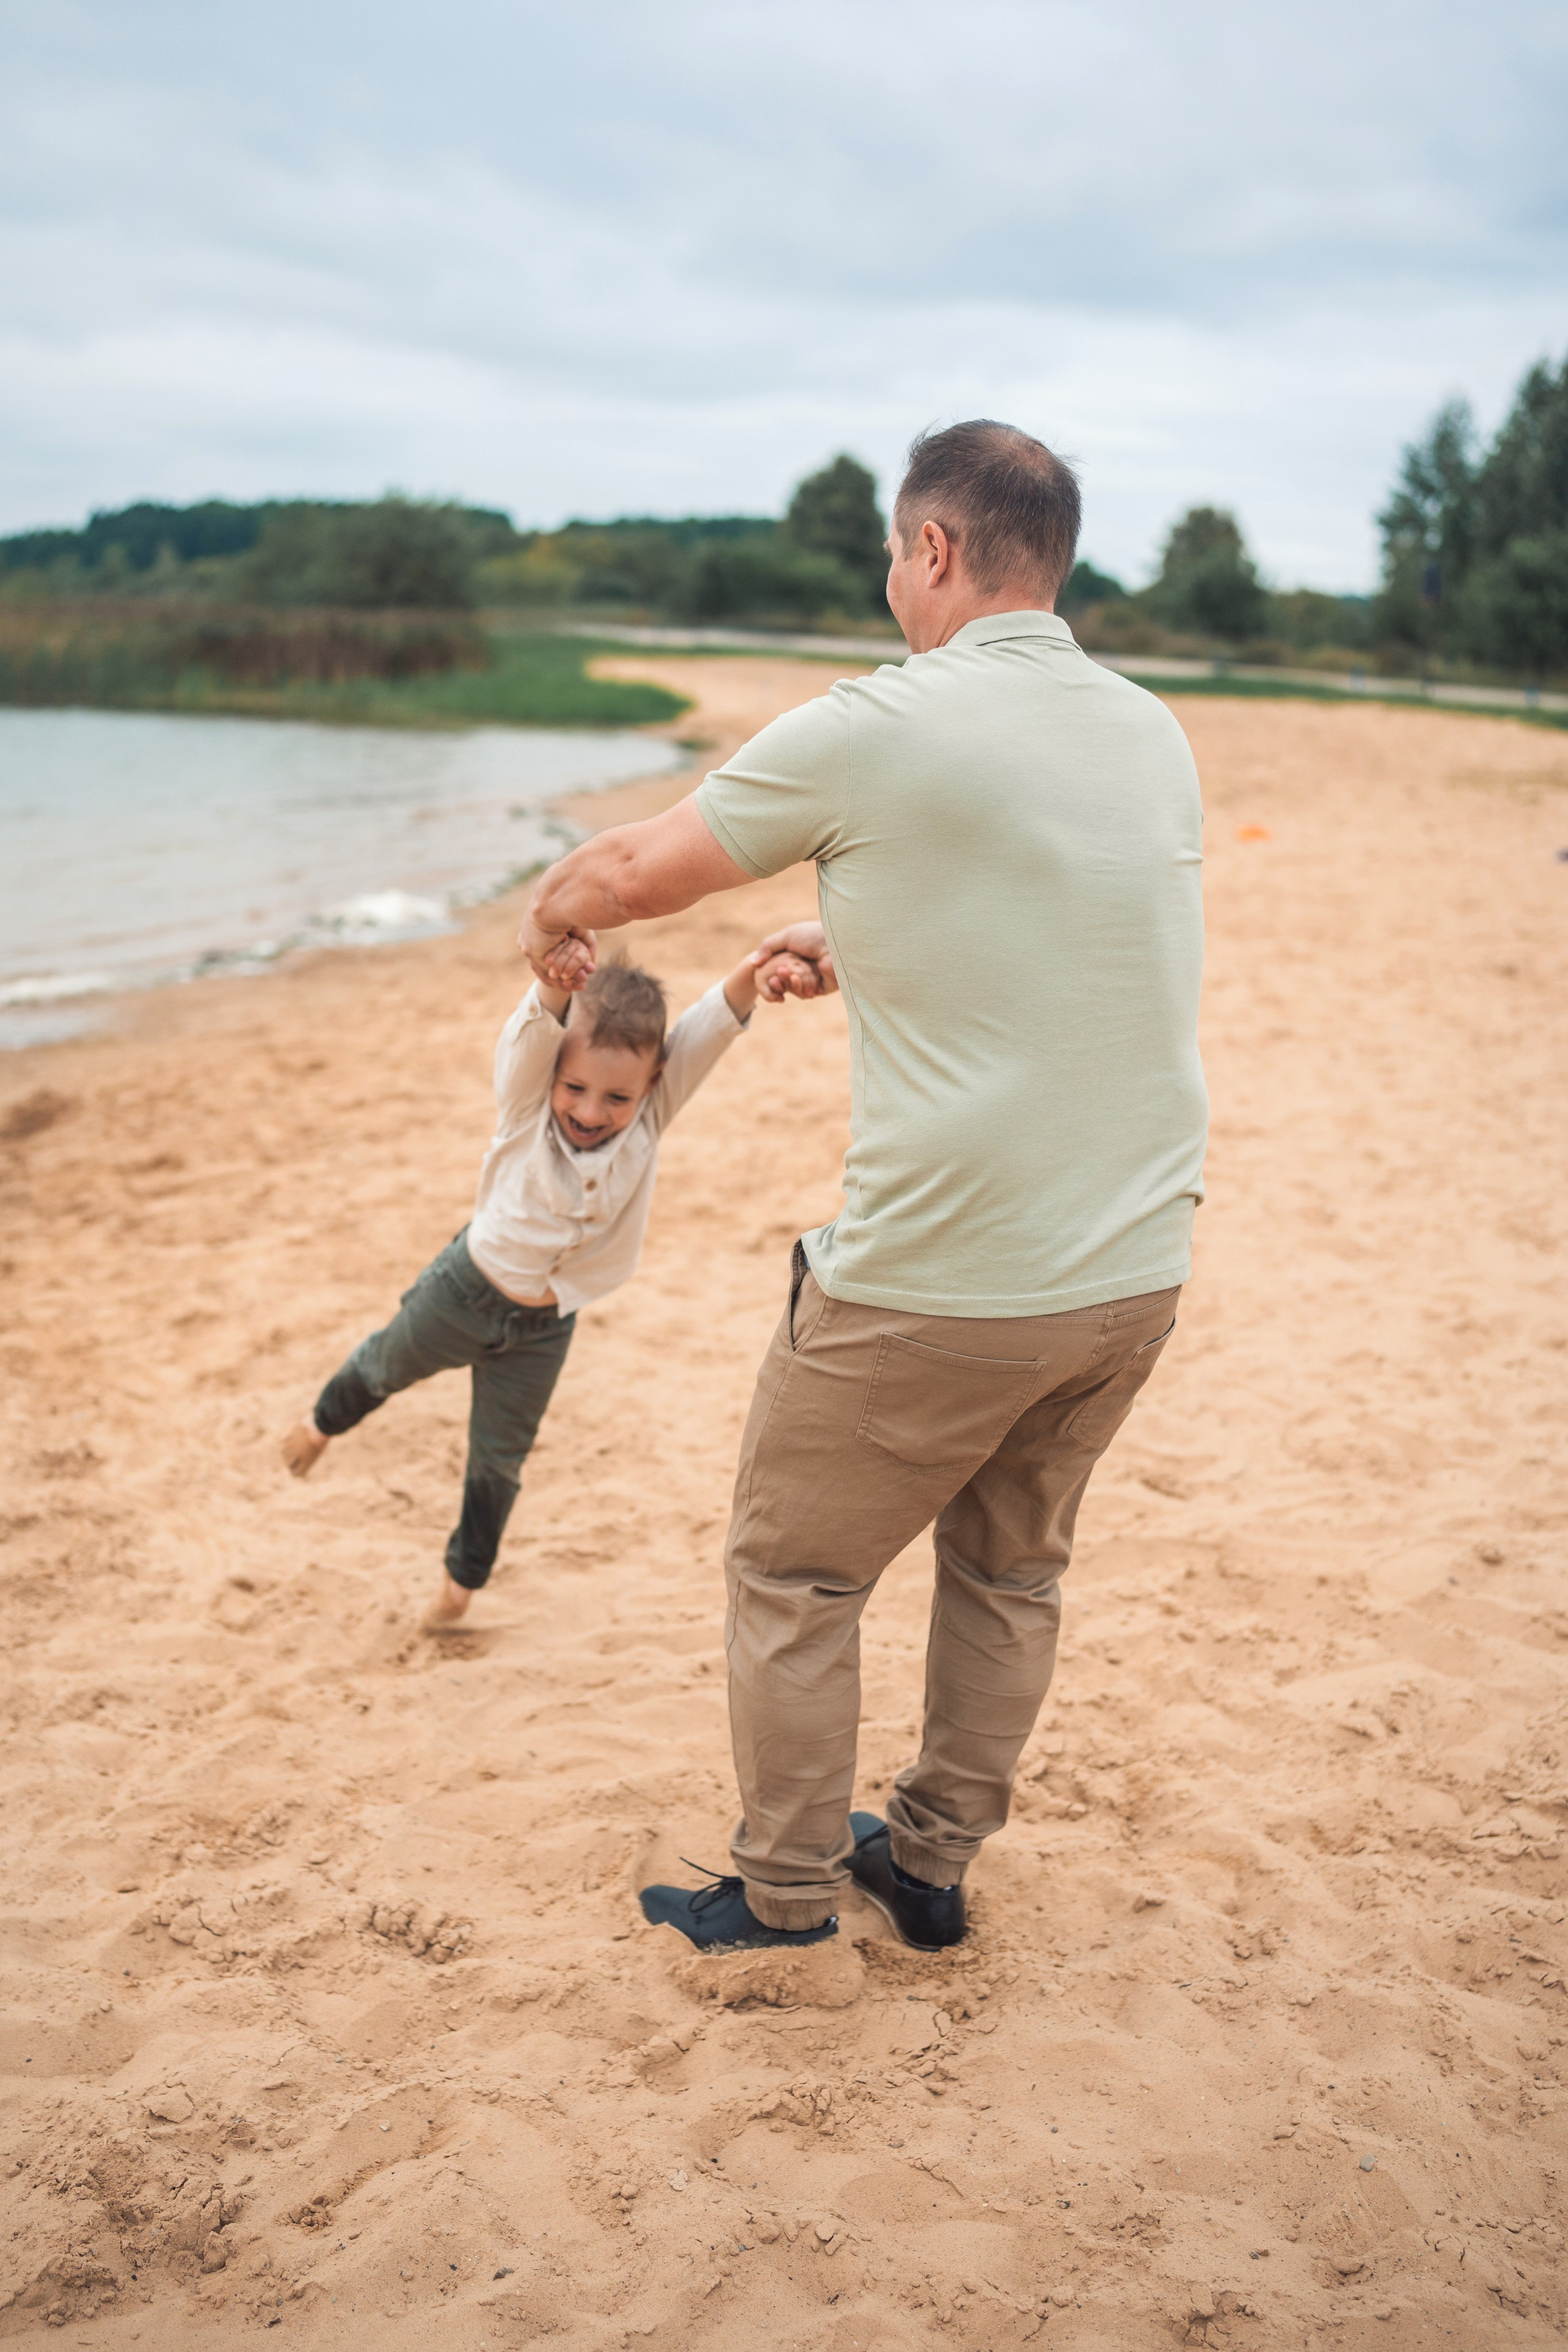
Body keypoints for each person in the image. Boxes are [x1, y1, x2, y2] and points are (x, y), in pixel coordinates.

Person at [521, 419, 1208, 1954]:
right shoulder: (1146, 728)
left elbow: (635, 870)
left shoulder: (880, 720)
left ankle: (776, 1900)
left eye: (895, 555)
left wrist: (547, 914)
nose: (891, 582)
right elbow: (1066, 922)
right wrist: (879, 938)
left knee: (792, 1567)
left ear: (935, 551)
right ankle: (929, 1863)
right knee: (1009, 1569)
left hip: (942, 1278)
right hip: (1132, 1267)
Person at [281, 937, 820, 1627]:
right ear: (552, 1075)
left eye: (616, 1097)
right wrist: (553, 986)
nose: (592, 1113)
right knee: (385, 1365)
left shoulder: (652, 1113)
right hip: (465, 1290)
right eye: (576, 1088)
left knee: (499, 1460)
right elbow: (534, 1033)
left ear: (654, 1084)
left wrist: (754, 973)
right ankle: (323, 1423)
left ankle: (458, 1587)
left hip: (545, 1328)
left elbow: (710, 1028)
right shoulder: (526, 1103)